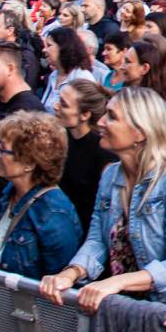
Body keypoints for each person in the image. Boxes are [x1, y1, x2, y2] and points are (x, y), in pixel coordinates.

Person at [39, 87, 166, 312]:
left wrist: (116, 282)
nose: (101, 122)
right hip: (137, 307)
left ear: (140, 132)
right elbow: (97, 240)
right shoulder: (110, 175)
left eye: (112, 116)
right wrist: (70, 273)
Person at [0, 111, 83, 280]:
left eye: (3, 149)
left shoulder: (54, 213)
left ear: (29, 163)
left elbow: (59, 283)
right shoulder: (10, 192)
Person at [53, 78, 116, 227]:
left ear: (84, 115)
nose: (56, 107)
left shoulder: (102, 152)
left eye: (64, 104)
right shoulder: (61, 137)